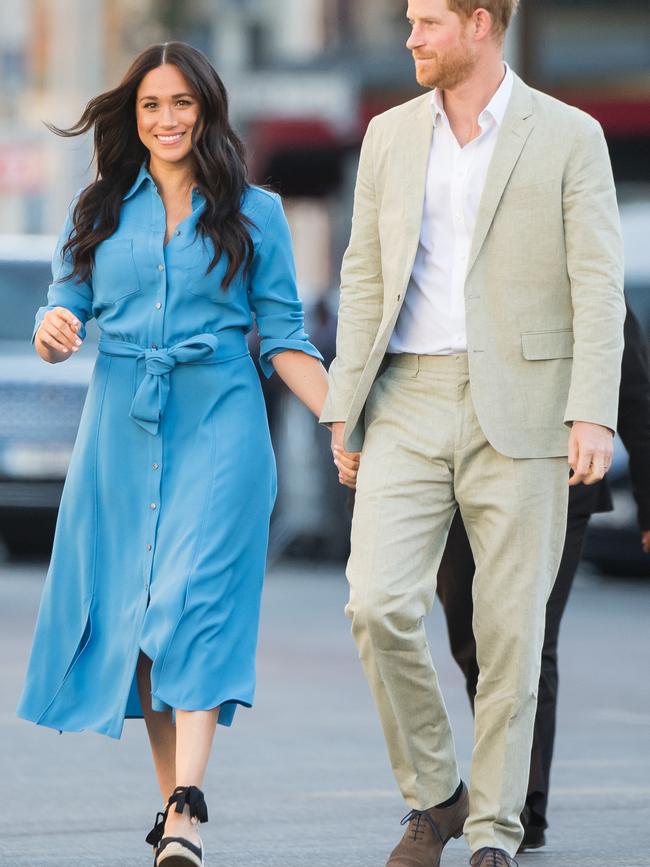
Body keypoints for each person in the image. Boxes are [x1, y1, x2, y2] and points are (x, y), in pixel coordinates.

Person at [16, 41, 337, 867]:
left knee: (194, 605)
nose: (166, 119)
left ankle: (187, 804)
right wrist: (54, 334)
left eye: (182, 104)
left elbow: (288, 341)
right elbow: (63, 316)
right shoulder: (95, 210)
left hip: (223, 421)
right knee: (144, 626)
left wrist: (349, 420)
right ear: (133, 115)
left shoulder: (254, 212)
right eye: (152, 104)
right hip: (120, 430)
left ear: (207, 112)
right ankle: (174, 816)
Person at [321, 1, 625, 865]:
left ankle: (494, 827)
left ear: (481, 22)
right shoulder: (387, 136)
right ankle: (438, 794)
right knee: (376, 603)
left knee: (510, 631)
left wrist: (592, 409)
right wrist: (348, 402)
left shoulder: (569, 135)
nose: (409, 37)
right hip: (407, 396)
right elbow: (364, 275)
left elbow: (599, 283)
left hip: (525, 402)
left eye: (425, 22)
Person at [435, 302, 650, 851]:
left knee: (530, 633)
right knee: (473, 640)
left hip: (561, 472)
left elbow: (635, 392)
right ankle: (502, 783)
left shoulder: (576, 254)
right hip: (458, 470)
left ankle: (518, 807)